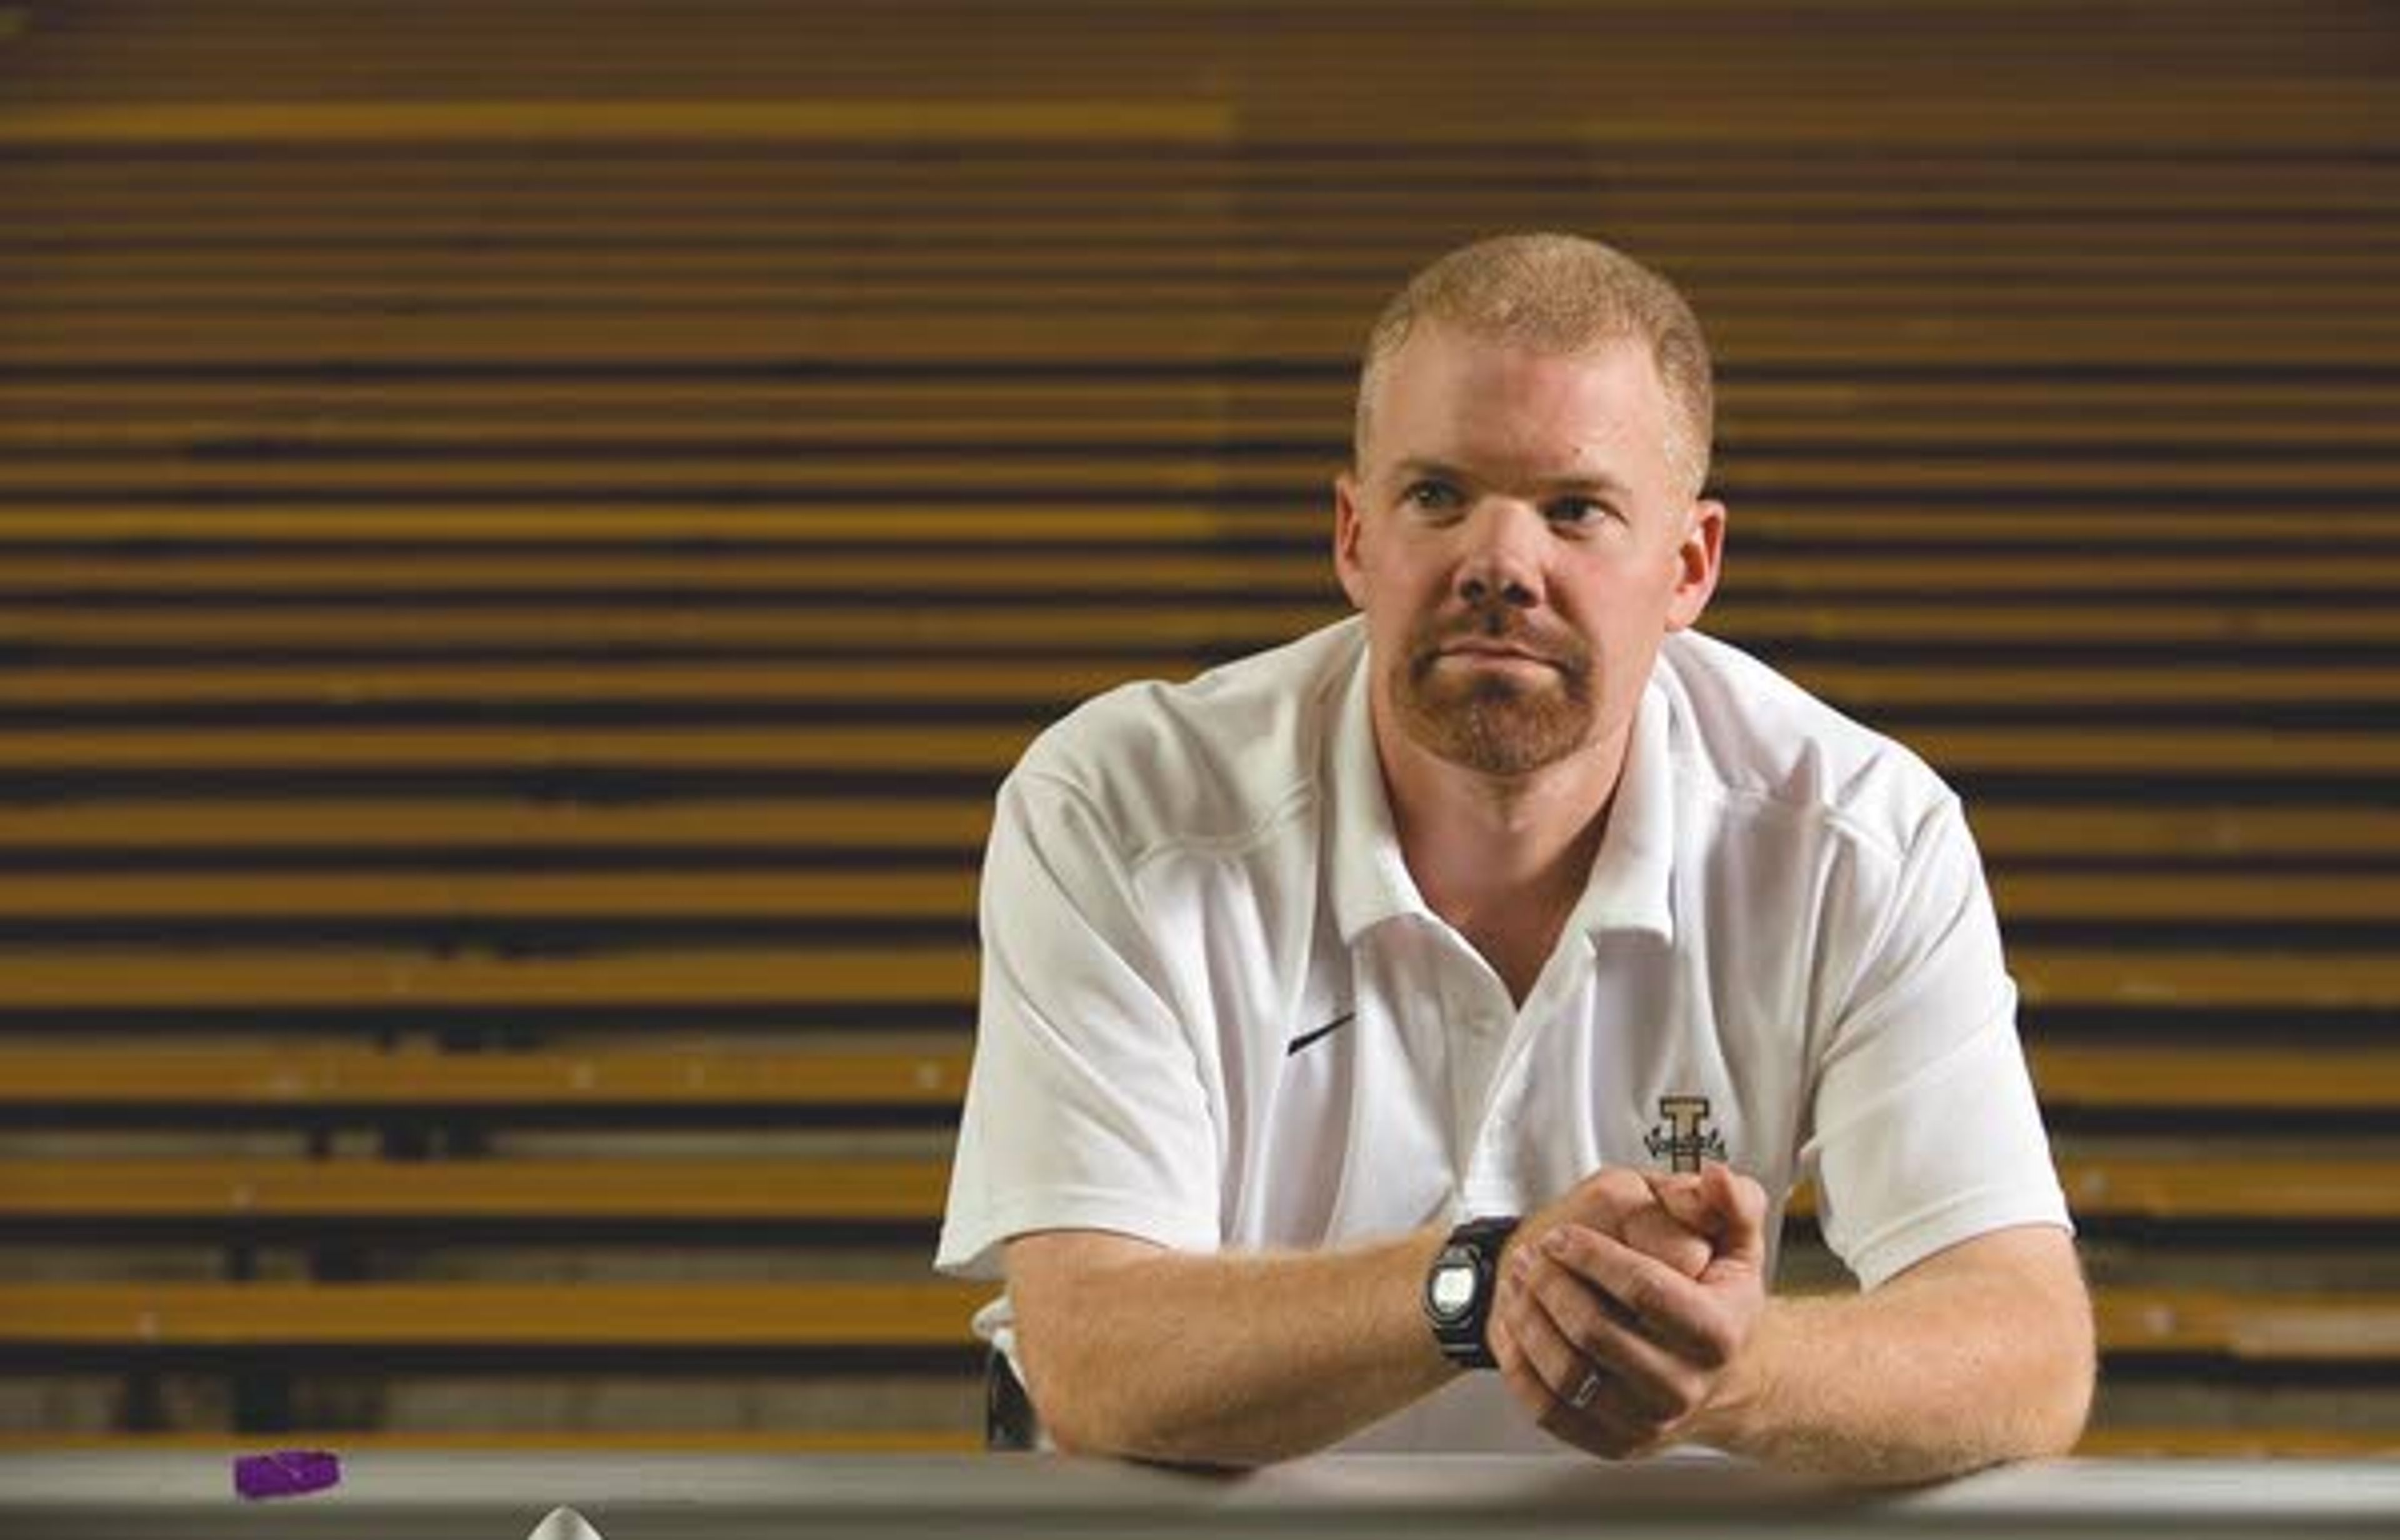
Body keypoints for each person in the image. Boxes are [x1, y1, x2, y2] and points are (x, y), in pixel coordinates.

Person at [935, 233, 2093, 1481]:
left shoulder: (1862, 831)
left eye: (1575, 508)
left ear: (1690, 565)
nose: (1500, 563)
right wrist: (1489, 1281)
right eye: (1437, 494)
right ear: (1353, 535)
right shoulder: (1118, 799)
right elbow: (1097, 1354)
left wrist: (1733, 1368)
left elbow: (2024, 1345)